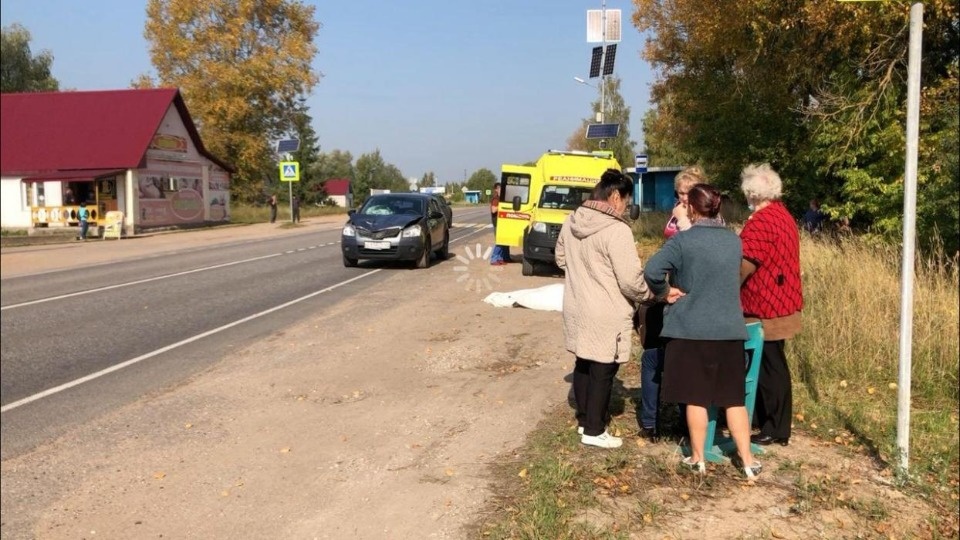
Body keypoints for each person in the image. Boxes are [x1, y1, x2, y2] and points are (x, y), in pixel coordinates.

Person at [644, 183, 761, 477]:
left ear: (692, 208)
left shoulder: (683, 241)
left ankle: (698, 458)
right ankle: (748, 461)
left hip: (691, 328)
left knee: (696, 397)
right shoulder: (734, 241)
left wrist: (665, 292)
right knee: (733, 399)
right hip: (729, 328)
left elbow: (652, 270)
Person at [555, 169, 653, 449]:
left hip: (577, 304)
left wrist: (582, 274)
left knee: (584, 362)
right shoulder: (616, 230)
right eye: (625, 199)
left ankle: (585, 420)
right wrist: (651, 295)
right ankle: (595, 430)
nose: (626, 206)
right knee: (603, 367)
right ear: (614, 196)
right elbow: (630, 280)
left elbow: (560, 259)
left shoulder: (572, 220)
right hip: (606, 309)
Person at [639, 164, 710, 439]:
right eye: (679, 193)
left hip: (688, 297)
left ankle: (682, 421)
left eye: (688, 193)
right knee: (654, 357)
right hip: (668, 292)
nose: (682, 198)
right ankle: (650, 422)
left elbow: (694, 248)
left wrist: (682, 222)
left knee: (676, 360)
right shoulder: (677, 215)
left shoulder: (699, 222)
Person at [739, 163, 803, 447]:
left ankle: (774, 427)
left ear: (753, 193)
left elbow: (744, 264)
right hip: (782, 300)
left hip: (765, 305)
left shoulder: (762, 221)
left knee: (768, 367)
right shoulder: (783, 215)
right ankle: (773, 423)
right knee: (774, 364)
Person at [663, 165, 707, 238]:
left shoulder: (707, 211)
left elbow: (699, 240)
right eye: (681, 193)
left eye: (690, 193)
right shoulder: (679, 208)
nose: (685, 198)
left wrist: (682, 218)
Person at [489, 184, 512, 265]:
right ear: (496, 190)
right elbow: (493, 210)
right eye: (500, 189)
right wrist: (502, 206)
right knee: (499, 241)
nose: (502, 190)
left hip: (503, 223)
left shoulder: (501, 199)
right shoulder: (495, 199)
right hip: (497, 224)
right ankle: (494, 259)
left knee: (504, 241)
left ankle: (501, 258)